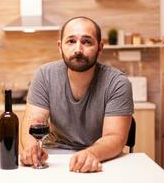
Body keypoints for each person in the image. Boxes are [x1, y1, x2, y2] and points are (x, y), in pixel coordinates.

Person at [20, 16, 134, 173]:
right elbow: (34, 122)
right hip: (54, 157)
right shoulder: (45, 75)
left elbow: (115, 137)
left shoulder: (117, 83)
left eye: (87, 42)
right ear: (60, 46)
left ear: (100, 48)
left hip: (101, 156)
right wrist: (32, 149)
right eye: (71, 41)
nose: (78, 50)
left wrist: (90, 153)